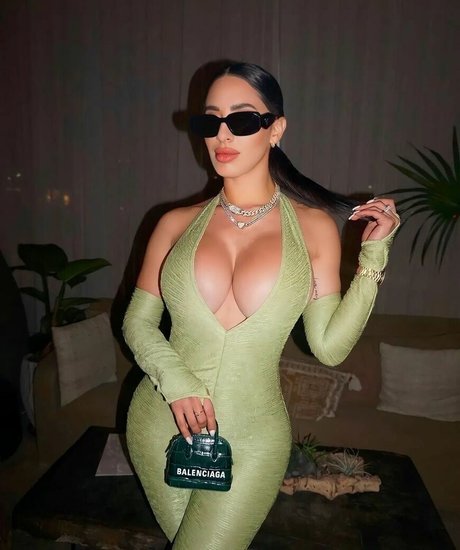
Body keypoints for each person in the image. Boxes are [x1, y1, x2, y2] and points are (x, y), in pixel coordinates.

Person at [122, 62, 399, 549]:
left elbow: (329, 347)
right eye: (210, 121)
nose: (222, 134)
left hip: (253, 438)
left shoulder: (313, 227)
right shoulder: (174, 224)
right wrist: (178, 381)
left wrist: (374, 256)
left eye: (243, 119)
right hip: (159, 422)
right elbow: (137, 322)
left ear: (276, 129)